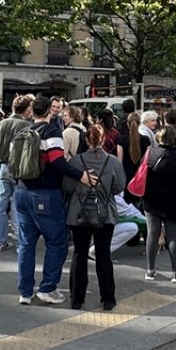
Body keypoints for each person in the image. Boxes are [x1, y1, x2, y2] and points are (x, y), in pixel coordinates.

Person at [16, 96, 97, 305]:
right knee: (57, 242)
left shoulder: (23, 131)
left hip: (22, 191)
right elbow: (56, 159)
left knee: (26, 244)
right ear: (50, 112)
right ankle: (48, 287)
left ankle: (25, 291)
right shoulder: (52, 131)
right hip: (45, 192)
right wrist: (81, 176)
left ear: (32, 111)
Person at [65, 123, 126, 310]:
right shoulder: (113, 162)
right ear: (103, 140)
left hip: (79, 212)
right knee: (103, 254)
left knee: (79, 254)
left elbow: (66, 187)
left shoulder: (75, 162)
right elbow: (120, 186)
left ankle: (77, 298)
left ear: (86, 140)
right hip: (105, 212)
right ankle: (108, 298)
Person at [141, 125, 176, 283]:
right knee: (173, 235)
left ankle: (150, 270)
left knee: (152, 234)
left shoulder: (149, 153)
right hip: (173, 199)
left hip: (151, 199)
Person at [0, 95, 34, 252]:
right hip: (19, 168)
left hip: (3, 166)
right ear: (27, 109)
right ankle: (19, 240)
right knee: (18, 205)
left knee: (1, 204)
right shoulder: (26, 125)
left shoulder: (2, 124)